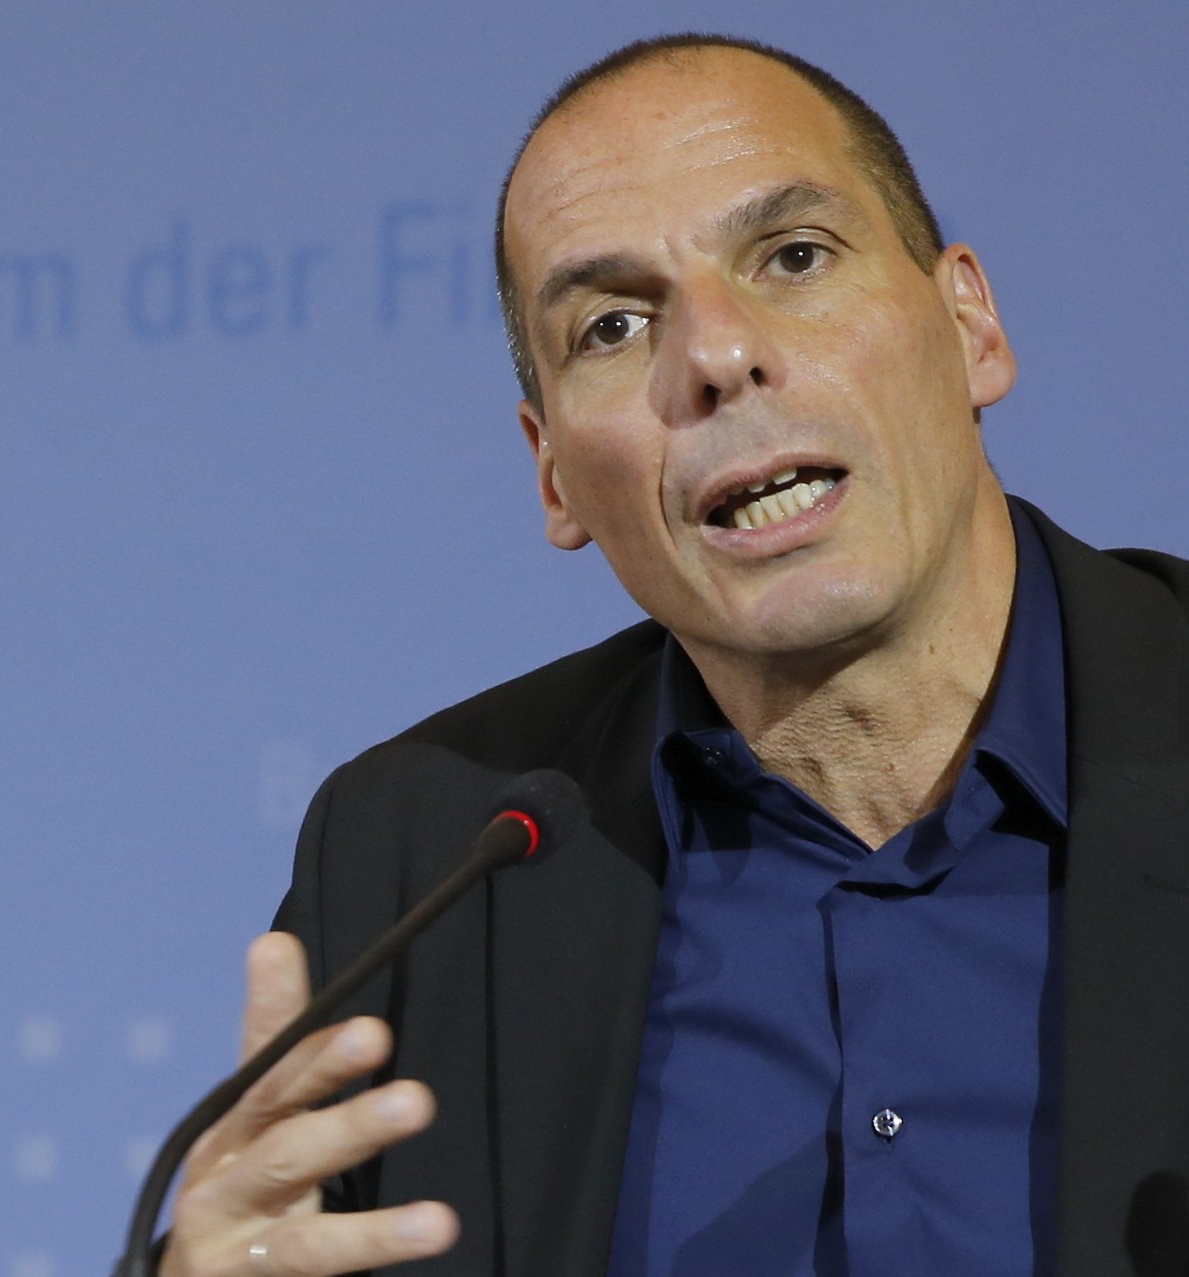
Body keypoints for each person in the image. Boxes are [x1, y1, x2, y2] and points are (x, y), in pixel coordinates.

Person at [159, 34, 1189, 1277]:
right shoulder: (426, 859)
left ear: (970, 323)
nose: (713, 356)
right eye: (613, 325)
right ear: (554, 474)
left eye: (793, 257)